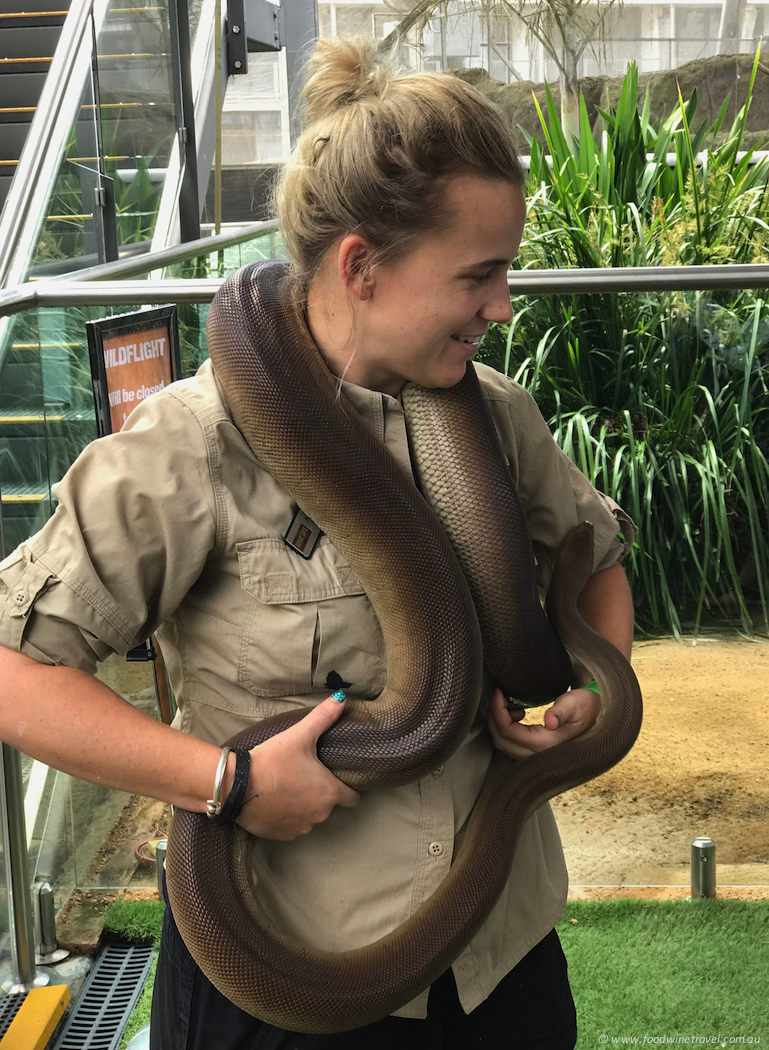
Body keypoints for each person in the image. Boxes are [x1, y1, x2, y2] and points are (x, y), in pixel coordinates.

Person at [0, 37, 635, 1050]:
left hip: (499, 965)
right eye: (479, 275)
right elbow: (14, 676)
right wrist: (229, 783)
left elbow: (593, 561)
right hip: (284, 983)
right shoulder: (191, 445)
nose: (501, 306)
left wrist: (585, 692)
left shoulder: (497, 417)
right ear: (361, 267)